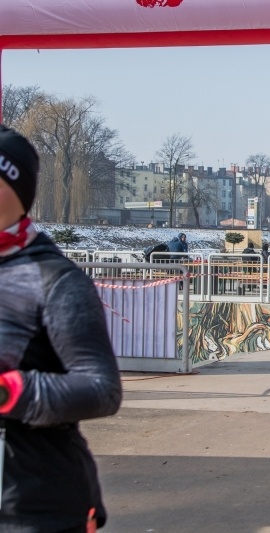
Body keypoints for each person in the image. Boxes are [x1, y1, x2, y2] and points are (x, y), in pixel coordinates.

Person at [0, 125, 123, 531]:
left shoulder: (55, 279)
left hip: (32, 498)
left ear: (17, 192)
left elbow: (102, 389)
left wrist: (9, 391)